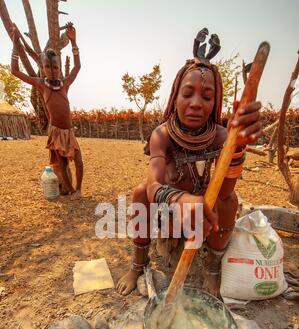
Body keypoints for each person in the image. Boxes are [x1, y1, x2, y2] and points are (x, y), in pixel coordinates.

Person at [117, 29, 263, 297]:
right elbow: (152, 186)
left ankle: (212, 268)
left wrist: (237, 146)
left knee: (230, 202)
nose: (196, 104)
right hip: (170, 212)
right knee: (139, 193)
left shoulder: (220, 136)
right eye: (188, 94)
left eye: (206, 97)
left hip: (205, 215)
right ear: (175, 98)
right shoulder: (162, 134)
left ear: (215, 102)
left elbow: (226, 191)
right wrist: (180, 199)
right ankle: (138, 264)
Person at [11, 23, 83, 195]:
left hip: (69, 131)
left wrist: (74, 43)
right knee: (63, 164)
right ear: (43, 69)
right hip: (56, 132)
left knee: (79, 162)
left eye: (55, 67)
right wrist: (15, 43)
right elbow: (14, 71)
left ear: (59, 68)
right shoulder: (41, 84)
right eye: (48, 67)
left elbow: (77, 67)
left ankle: (79, 189)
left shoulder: (64, 84)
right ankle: (72, 191)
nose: (52, 71)